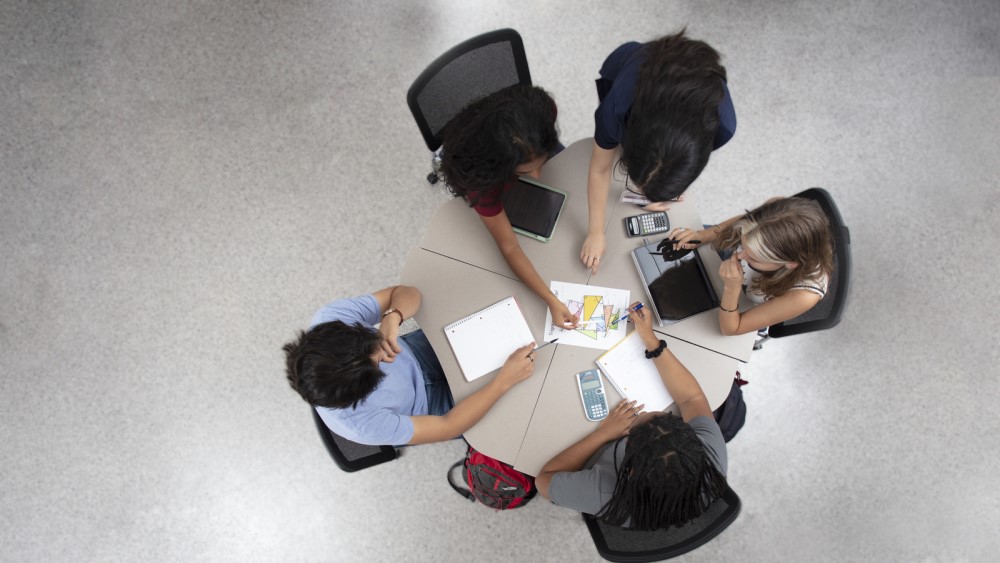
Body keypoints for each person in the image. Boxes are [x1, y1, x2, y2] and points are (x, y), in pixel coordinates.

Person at [535, 301, 728, 530]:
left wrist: (603, 435)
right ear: (695, 443)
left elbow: (544, 480)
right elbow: (692, 399)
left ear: (630, 468)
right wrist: (651, 341)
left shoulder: (607, 493)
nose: (645, 411)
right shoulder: (711, 457)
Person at [282, 285, 538, 446]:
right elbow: (449, 425)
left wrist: (393, 317)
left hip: (417, 352)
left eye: (376, 347)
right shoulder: (362, 426)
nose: (387, 357)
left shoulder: (331, 320)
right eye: (379, 362)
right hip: (429, 406)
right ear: (364, 391)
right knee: (524, 403)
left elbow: (408, 293)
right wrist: (503, 382)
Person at [580, 30, 736, 274]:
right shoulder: (616, 109)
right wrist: (595, 232)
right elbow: (600, 168)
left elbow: (686, 162)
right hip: (637, 67)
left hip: (686, 82)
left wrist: (658, 193)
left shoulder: (723, 126)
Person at [439, 84, 579, 329]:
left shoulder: (544, 111)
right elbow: (509, 246)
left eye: (541, 162)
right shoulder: (481, 183)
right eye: (525, 171)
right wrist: (550, 300)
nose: (537, 175)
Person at [667, 196, 835, 336]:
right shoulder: (776, 212)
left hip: (742, 305)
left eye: (754, 258)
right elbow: (743, 221)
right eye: (743, 242)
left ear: (790, 264)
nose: (739, 256)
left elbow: (732, 328)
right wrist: (703, 235)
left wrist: (731, 288)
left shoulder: (803, 295)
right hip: (727, 275)